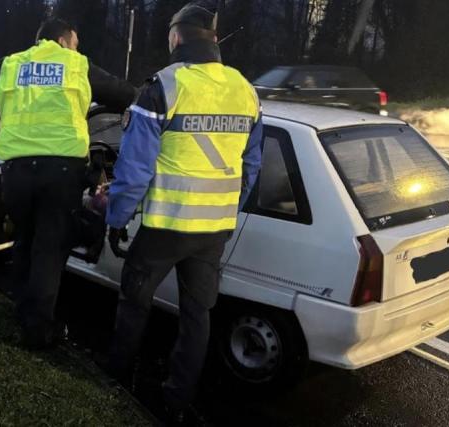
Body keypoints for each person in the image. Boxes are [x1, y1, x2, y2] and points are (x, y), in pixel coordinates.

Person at [104, 3, 262, 422]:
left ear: (176, 37)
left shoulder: (162, 86)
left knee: (134, 300)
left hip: (165, 226)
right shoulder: (245, 89)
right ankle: (176, 399)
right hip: (213, 230)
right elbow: (252, 165)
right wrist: (228, 208)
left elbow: (135, 168)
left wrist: (117, 218)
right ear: (213, 39)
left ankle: (116, 379)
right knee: (197, 315)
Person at [0, 18, 135, 350]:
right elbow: (126, 93)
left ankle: (23, 313)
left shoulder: (11, 64)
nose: (77, 48)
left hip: (16, 171)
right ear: (63, 40)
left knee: (25, 241)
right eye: (75, 42)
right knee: (50, 250)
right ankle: (38, 332)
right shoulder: (76, 64)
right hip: (61, 172)